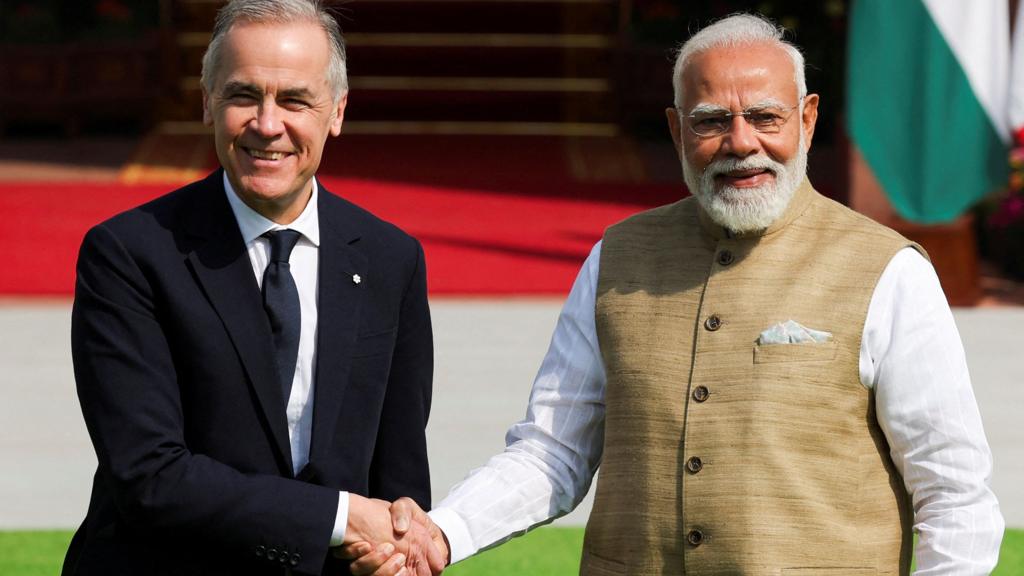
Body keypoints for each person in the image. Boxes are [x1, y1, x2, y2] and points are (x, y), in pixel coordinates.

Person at [346, 13, 1004, 576]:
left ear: (807, 120)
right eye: (711, 121)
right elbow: (553, 451)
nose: (741, 143)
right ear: (675, 129)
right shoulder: (617, 258)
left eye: (765, 117)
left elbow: (954, 494)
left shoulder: (888, 271)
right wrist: (443, 533)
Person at [63, 1, 445, 574]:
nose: (267, 125)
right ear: (207, 103)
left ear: (337, 112)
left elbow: (400, 473)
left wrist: (394, 548)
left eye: (295, 100)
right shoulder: (127, 254)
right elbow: (148, 474)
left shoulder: (392, 260)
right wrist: (340, 519)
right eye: (243, 95)